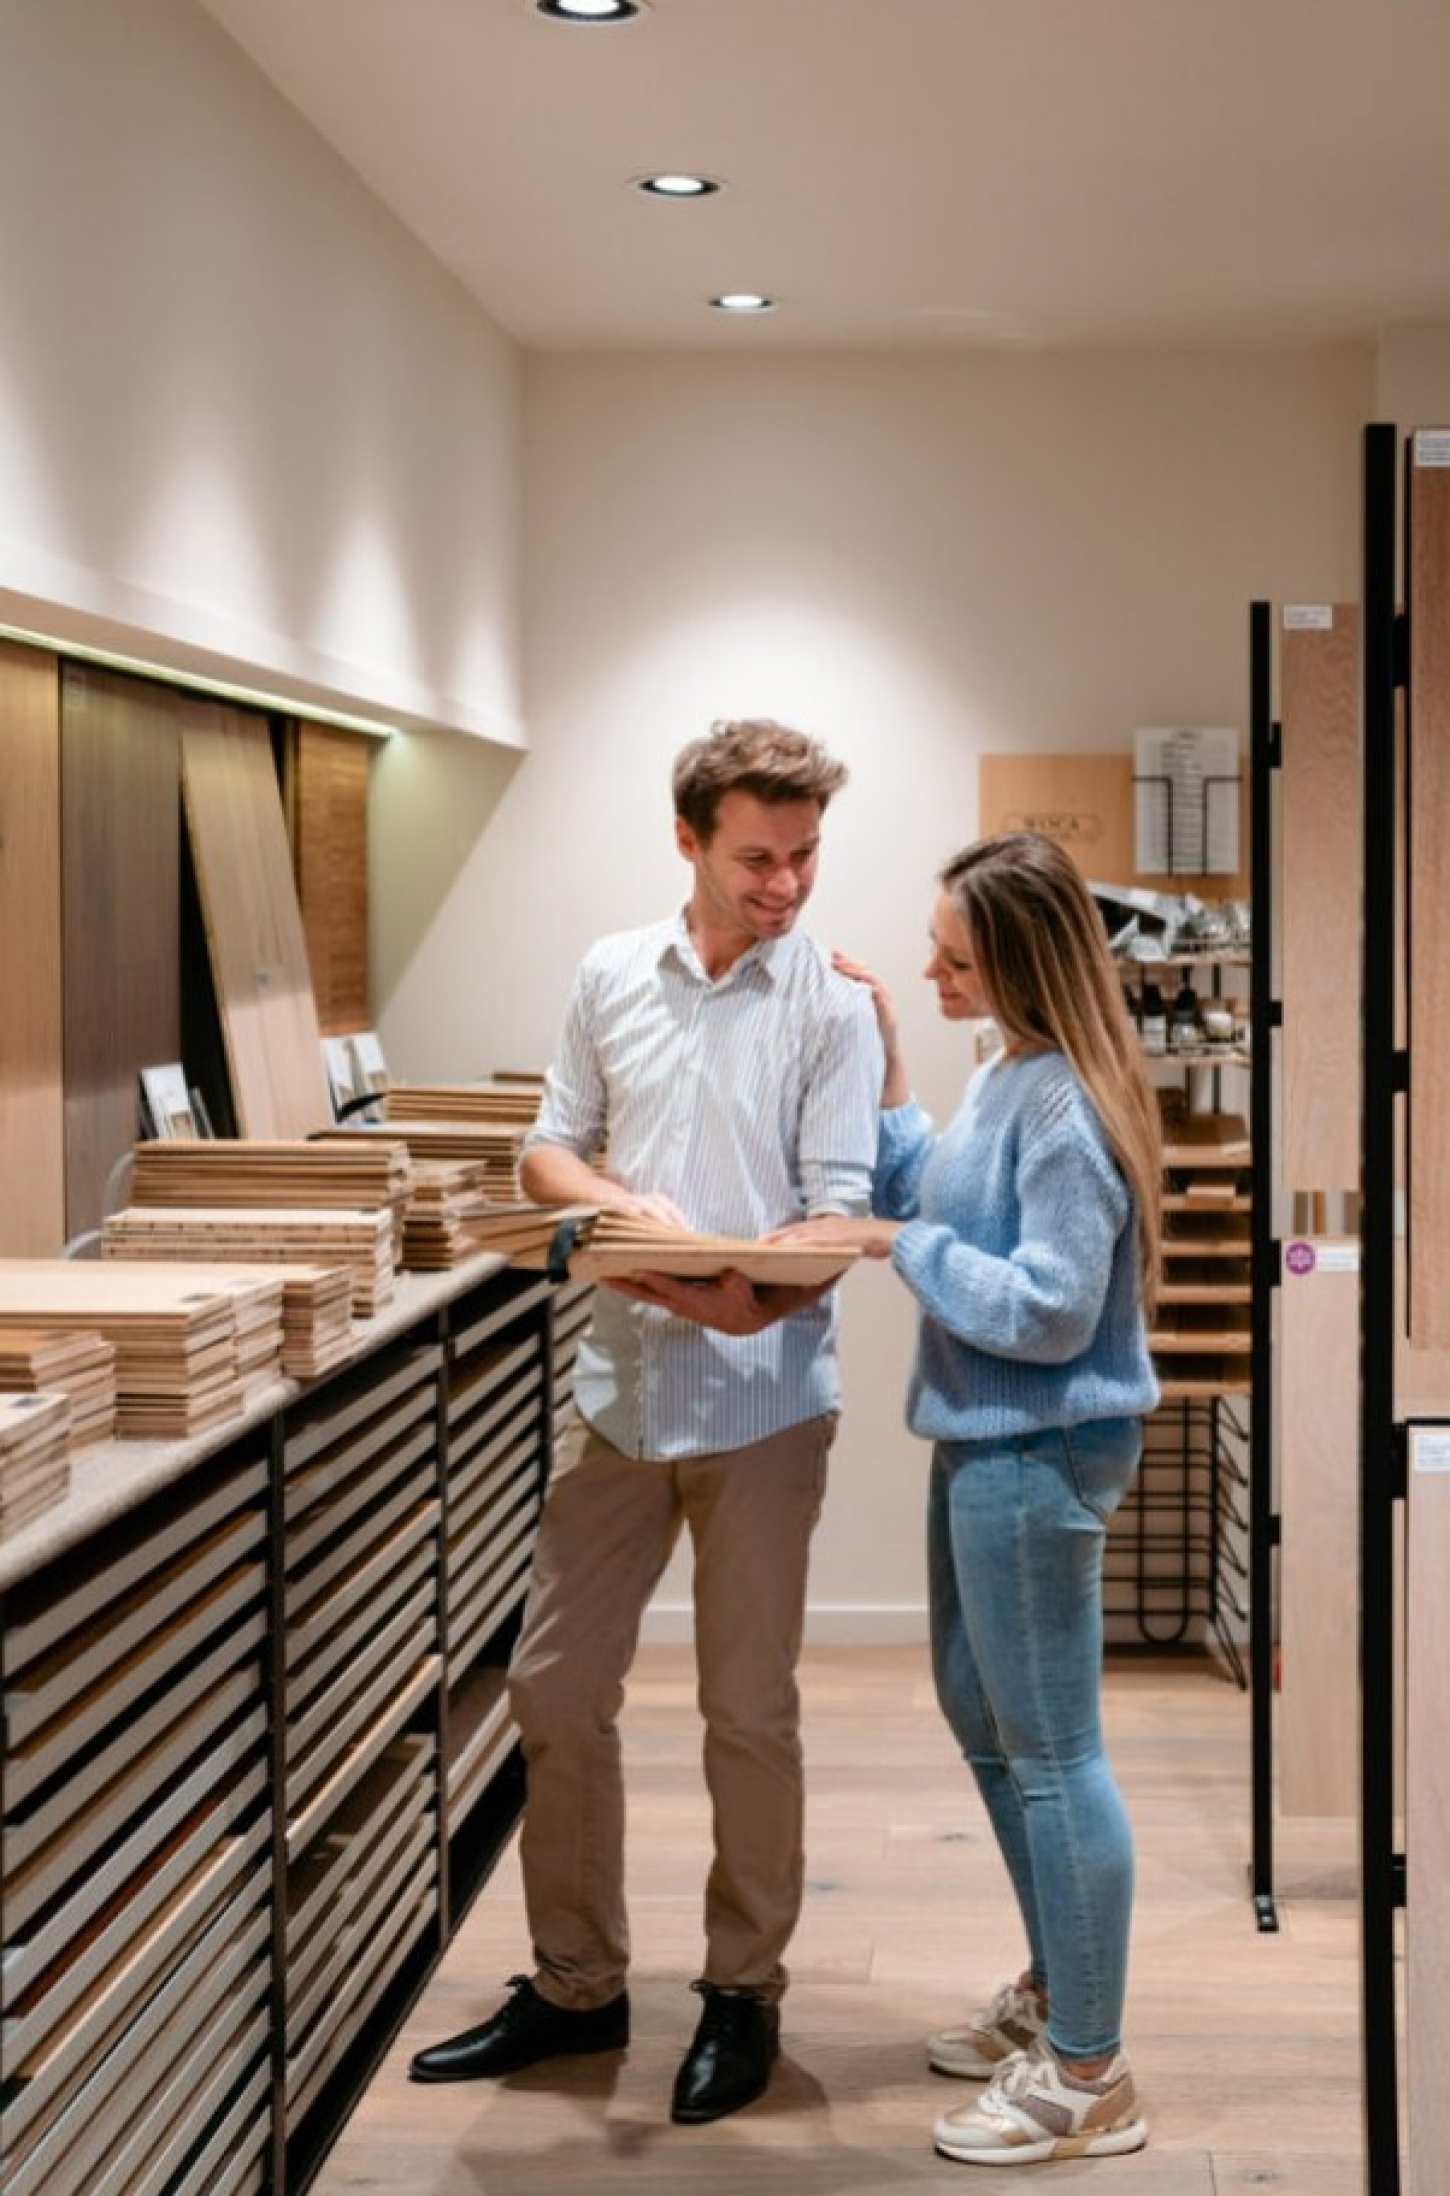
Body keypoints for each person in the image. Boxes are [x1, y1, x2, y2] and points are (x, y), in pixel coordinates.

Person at [408, 718, 883, 2124]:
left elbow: (837, 1203)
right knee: (553, 1692)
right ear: (686, 840)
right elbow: (546, 1142)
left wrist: (762, 1288)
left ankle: (741, 1996)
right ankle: (576, 1987)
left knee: (747, 1714)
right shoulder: (611, 972)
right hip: (619, 1396)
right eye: (756, 857)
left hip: (765, 1404)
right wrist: (606, 1204)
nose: (785, 885)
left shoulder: (832, 1007)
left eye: (802, 857)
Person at [775, 829, 1161, 2168]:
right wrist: (884, 1056)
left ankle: (1089, 2077)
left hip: (1038, 1445)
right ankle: (1065, 1989)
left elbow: (1048, 1313)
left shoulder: (1064, 1110)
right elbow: (926, 1190)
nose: (934, 970)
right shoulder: (1009, 1073)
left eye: (954, 958)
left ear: (1019, 962)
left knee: (1052, 1751)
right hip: (987, 1442)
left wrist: (892, 1244)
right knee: (986, 1722)